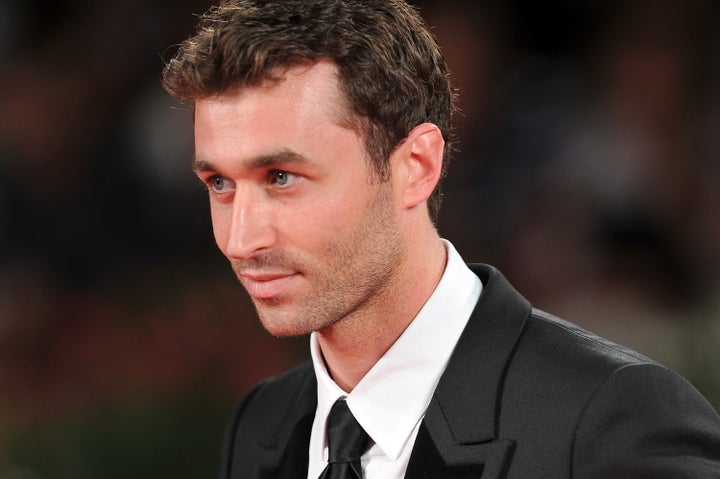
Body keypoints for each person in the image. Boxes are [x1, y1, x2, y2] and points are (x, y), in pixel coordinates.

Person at [161, 1, 720, 477]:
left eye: (281, 177)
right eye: (219, 183)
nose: (241, 239)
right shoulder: (263, 425)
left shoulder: (611, 422)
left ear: (416, 166)